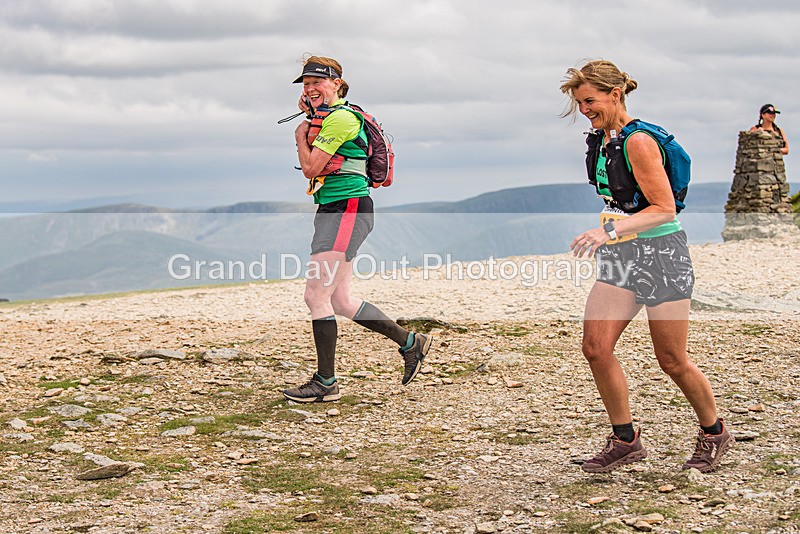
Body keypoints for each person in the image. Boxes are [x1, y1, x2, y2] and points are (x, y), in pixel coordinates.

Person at [559, 59, 734, 473]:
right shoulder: (603, 140)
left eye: (590, 100)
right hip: (621, 257)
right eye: (579, 103)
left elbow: (663, 208)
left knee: (671, 359)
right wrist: (613, 233)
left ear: (614, 94)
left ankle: (715, 432)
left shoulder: (638, 141)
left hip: (662, 256)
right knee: (596, 347)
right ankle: (625, 441)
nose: (584, 109)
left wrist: (608, 231)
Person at [282, 55, 432, 403]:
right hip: (338, 209)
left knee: (315, 296)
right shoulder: (328, 117)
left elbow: (311, 167)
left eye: (318, 82)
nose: (311, 88)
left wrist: (299, 135)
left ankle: (326, 382)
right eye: (306, 84)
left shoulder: (341, 119)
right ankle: (411, 342)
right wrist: (310, 116)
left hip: (346, 209)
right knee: (341, 299)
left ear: (337, 83)